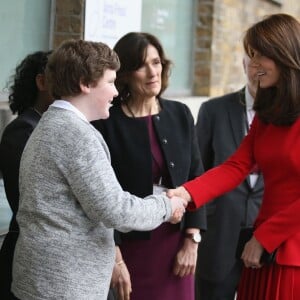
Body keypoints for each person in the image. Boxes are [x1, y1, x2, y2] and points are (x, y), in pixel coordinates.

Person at [10, 39, 186, 300]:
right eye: (110, 82)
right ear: (85, 83)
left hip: (46, 282)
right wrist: (167, 206)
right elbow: (116, 211)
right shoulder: (77, 135)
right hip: (65, 286)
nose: (116, 92)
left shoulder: (50, 123)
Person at [168, 13, 300, 300]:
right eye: (251, 55)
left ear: (285, 55)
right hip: (261, 251)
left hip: (289, 254)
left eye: (260, 56)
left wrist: (265, 238)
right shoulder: (269, 113)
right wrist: (187, 193)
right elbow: (236, 165)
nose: (252, 65)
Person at [92, 32, 207, 300]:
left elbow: (196, 177)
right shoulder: (107, 122)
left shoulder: (179, 114)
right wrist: (116, 259)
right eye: (141, 65)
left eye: (156, 62)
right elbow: (99, 198)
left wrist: (192, 240)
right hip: (128, 247)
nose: (152, 72)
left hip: (175, 242)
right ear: (126, 74)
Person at [194, 55, 264, 300]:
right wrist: (192, 234)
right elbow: (197, 172)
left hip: (266, 244)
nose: (259, 68)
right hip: (217, 238)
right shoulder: (214, 110)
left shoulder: (287, 115)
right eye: (253, 59)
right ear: (243, 62)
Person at [0, 50, 53, 299]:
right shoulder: (23, 130)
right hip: (31, 261)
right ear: (42, 82)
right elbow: (30, 201)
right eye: (63, 77)